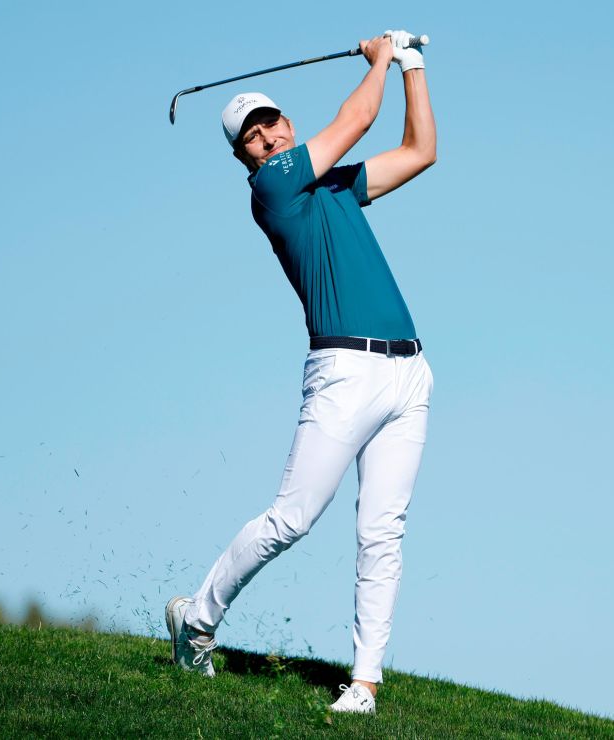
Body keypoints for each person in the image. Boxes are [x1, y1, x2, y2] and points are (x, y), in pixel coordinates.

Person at [165, 30, 436, 715]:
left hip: (409, 373)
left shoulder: (335, 184)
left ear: (287, 122)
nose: (265, 137)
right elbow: (357, 120)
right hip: (343, 369)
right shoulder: (274, 187)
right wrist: (380, 59)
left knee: (384, 531)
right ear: (244, 157)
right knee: (293, 518)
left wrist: (412, 66)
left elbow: (420, 151)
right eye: (251, 136)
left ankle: (364, 684)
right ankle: (196, 619)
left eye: (270, 123)